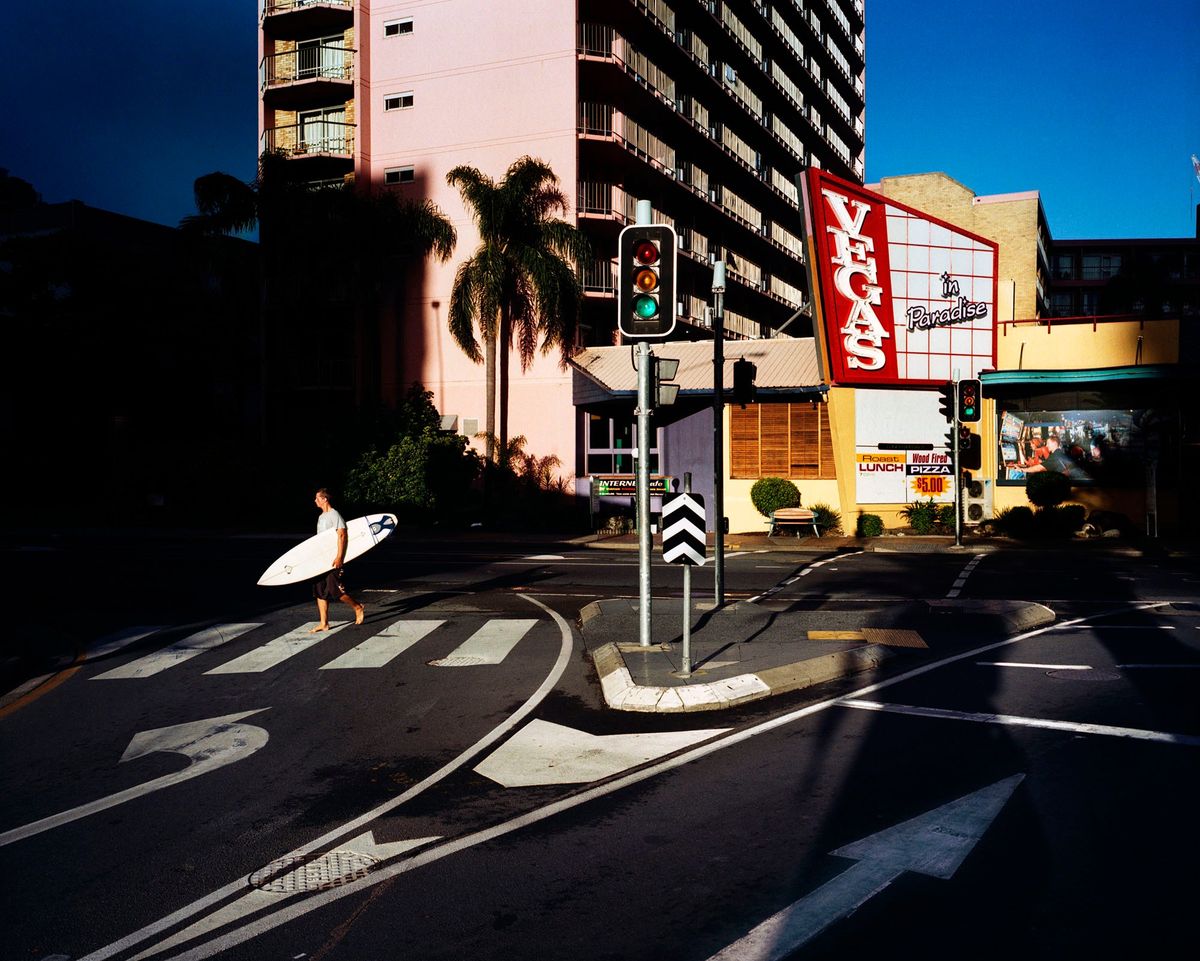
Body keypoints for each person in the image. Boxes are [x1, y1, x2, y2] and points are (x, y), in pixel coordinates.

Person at [310, 488, 365, 632]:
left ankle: (357, 607)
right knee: (320, 590)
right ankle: (324, 623)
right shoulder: (322, 517)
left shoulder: (335, 515)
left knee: (335, 590)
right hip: (322, 560)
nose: (315, 501)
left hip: (334, 560)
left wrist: (340, 557)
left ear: (324, 499)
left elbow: (342, 536)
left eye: (317, 498)